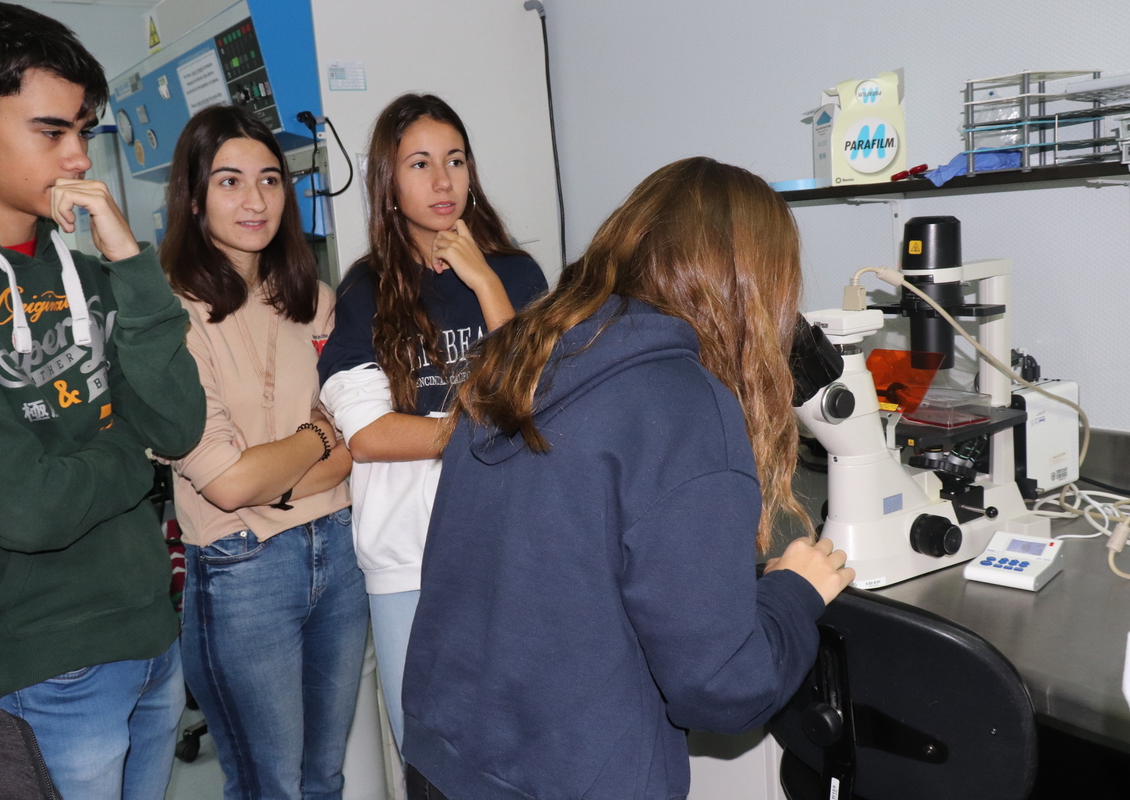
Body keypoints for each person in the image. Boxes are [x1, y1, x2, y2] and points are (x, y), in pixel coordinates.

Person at [402, 157, 856, 799]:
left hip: (444, 758)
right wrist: (794, 594)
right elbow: (724, 686)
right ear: (754, 287)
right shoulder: (683, 403)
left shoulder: (521, 353)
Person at [0, 2, 206, 799]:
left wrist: (129, 260)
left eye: (83, 130)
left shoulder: (87, 275)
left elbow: (177, 426)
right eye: (51, 131)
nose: (79, 156)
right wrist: (134, 460)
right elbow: (30, 508)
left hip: (153, 641)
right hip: (45, 666)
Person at [317, 93, 547, 749]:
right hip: (409, 562)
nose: (443, 181)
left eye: (456, 160)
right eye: (420, 164)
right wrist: (483, 431)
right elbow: (370, 436)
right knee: (429, 756)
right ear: (389, 181)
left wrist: (486, 284)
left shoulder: (516, 275)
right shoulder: (364, 291)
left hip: (513, 550)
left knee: (522, 751)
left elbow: (535, 397)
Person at [163, 104, 368, 800]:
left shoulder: (317, 301)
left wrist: (269, 475)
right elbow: (226, 484)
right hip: (242, 568)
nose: (255, 200)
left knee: (323, 777)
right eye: (230, 181)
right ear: (194, 198)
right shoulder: (170, 317)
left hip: (338, 550)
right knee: (269, 786)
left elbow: (358, 441)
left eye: (270, 179)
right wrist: (316, 437)